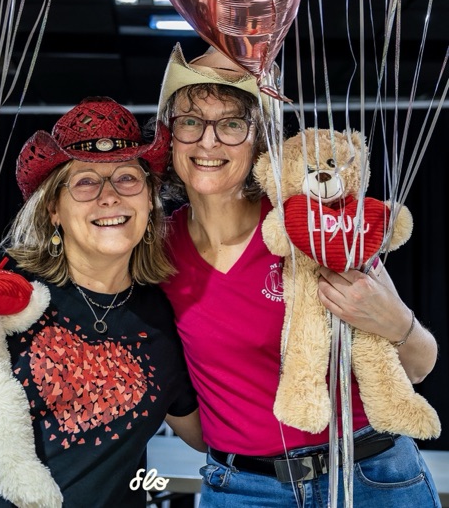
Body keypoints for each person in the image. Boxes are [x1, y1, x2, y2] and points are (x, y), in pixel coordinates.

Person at [157, 42, 441, 508]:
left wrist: (394, 322)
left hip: (367, 477)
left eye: (231, 124)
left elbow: (419, 364)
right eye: (190, 122)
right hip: (242, 489)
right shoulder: (155, 252)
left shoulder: (313, 227)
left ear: (261, 141)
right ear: (170, 137)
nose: (208, 142)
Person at [0, 97, 203, 507]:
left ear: (148, 199)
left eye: (127, 178)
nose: (109, 197)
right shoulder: (1, 281)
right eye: (85, 181)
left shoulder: (163, 315)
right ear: (54, 208)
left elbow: (203, 436)